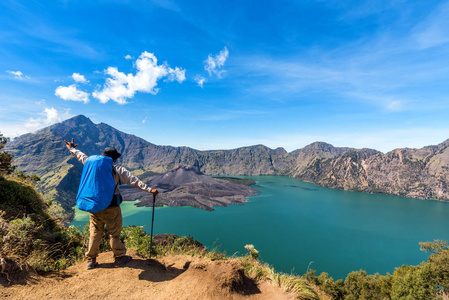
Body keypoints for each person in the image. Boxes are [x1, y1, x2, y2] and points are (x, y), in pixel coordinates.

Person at [64, 138, 158, 270]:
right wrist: (149, 190)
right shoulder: (116, 168)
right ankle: (119, 257)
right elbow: (133, 180)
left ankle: (91, 260)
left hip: (93, 205)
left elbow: (80, 155)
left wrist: (71, 148)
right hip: (110, 206)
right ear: (113, 159)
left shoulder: (90, 162)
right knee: (114, 233)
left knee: (95, 232)